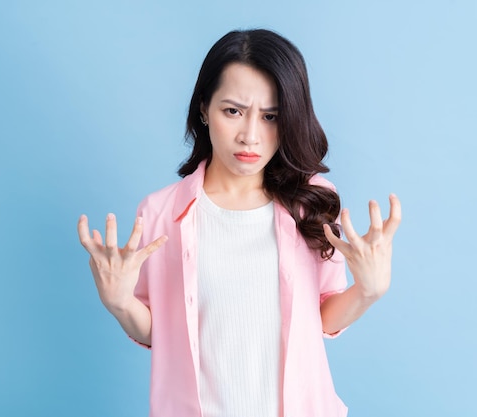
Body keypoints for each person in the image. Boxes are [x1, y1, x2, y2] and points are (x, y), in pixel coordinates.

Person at [77, 29, 401, 417]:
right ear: (203, 109)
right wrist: (119, 303)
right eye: (233, 111)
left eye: (271, 117)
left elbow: (322, 316)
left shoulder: (310, 202)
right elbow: (157, 330)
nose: (250, 136)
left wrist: (369, 290)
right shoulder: (160, 213)